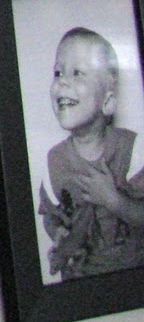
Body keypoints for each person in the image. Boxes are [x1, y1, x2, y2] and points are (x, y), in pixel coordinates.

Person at [38, 27, 144, 280]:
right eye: (58, 72)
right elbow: (50, 214)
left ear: (107, 102)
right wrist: (58, 233)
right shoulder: (54, 160)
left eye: (77, 73)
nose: (62, 81)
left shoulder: (132, 149)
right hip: (79, 279)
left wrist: (113, 199)